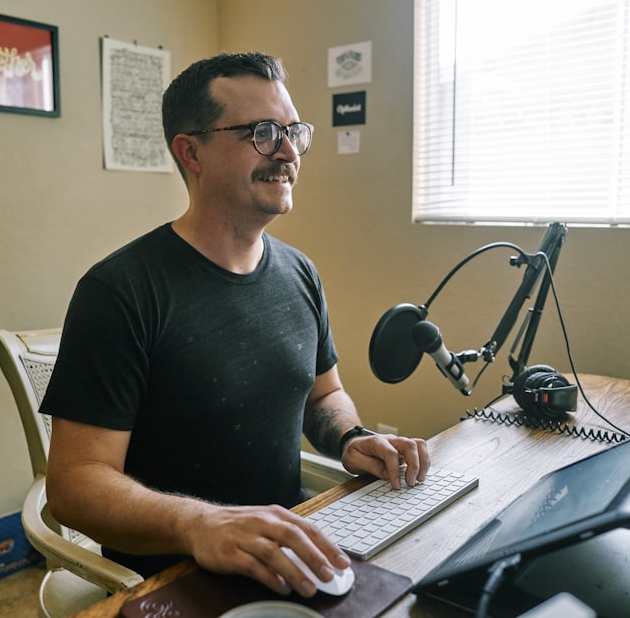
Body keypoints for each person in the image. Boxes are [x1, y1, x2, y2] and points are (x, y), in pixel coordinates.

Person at [40, 51, 430, 599]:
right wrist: (200, 524)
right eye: (263, 133)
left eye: (293, 132)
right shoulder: (120, 292)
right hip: (175, 579)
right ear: (190, 151)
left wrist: (350, 437)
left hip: (290, 556)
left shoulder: (299, 272)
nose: (289, 152)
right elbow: (75, 486)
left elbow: (325, 396)